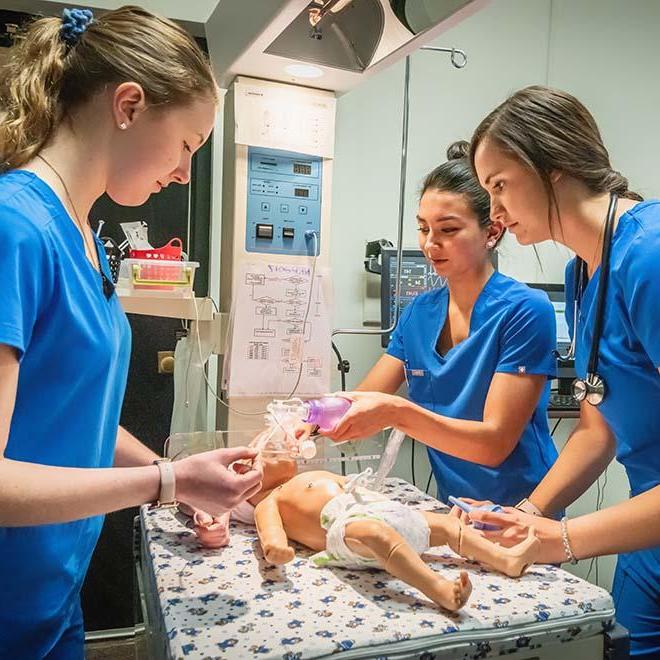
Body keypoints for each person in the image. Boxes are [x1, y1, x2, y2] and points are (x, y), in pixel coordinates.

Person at [0, 7, 263, 658]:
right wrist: (166, 484)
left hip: (52, 597)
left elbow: (73, 415)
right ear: (128, 105)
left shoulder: (85, 236)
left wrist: (175, 472)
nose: (183, 173)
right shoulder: (16, 230)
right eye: (188, 146)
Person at [469, 85, 660, 659]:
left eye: (499, 186)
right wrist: (526, 515)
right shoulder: (583, 273)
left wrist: (565, 540)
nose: (494, 214)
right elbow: (597, 427)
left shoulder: (648, 257)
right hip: (646, 533)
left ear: (551, 166)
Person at [312, 141, 559, 508]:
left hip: (523, 507)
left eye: (447, 230)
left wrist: (397, 412)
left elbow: (493, 444)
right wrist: (307, 418)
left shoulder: (525, 311)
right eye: (423, 228)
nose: (430, 244)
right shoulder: (419, 314)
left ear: (492, 231)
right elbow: (361, 398)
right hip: (453, 504)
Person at [252, 469, 540, 611]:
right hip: (344, 526)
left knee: (450, 526)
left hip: (382, 509)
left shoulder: (309, 472)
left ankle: (506, 559)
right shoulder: (271, 498)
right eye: (258, 456)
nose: (270, 449)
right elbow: (270, 530)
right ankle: (438, 587)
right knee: (376, 535)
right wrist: (276, 547)